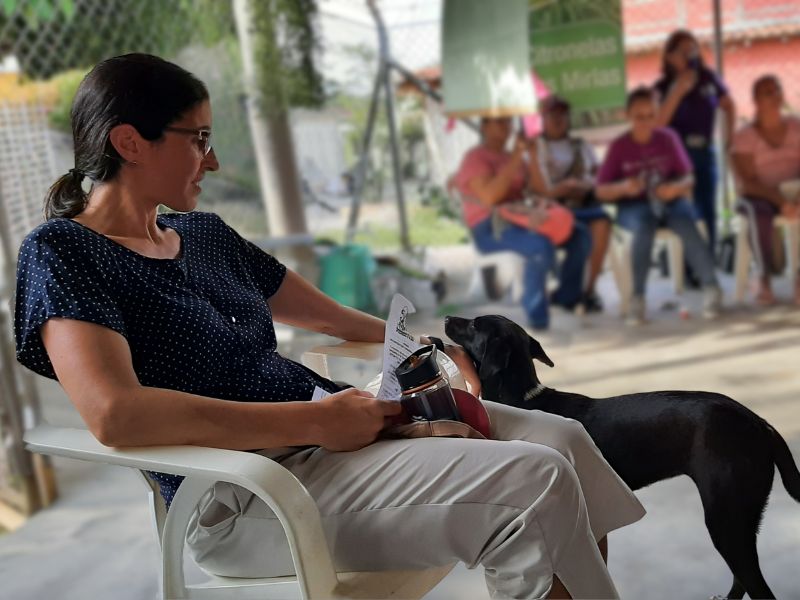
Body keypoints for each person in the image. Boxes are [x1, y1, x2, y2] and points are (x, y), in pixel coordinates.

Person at [14, 54, 645, 600]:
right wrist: (316, 421)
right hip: (247, 492)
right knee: (535, 482)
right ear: (130, 143)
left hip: (332, 433)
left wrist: (429, 350)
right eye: (198, 138)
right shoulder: (62, 252)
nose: (211, 160)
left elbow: (329, 316)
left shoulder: (203, 234)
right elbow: (117, 415)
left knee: (566, 444)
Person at [596, 86, 722, 325]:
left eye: (650, 116)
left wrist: (675, 188)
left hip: (670, 201)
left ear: (657, 115)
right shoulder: (619, 146)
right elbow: (601, 190)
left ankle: (712, 288)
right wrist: (624, 187)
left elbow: (689, 177)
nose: (644, 122)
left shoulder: (668, 138)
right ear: (628, 116)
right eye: (638, 116)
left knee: (687, 222)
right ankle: (638, 298)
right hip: (633, 206)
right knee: (644, 226)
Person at [454, 116, 591, 330]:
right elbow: (490, 197)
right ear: (484, 127)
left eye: (508, 121)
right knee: (539, 246)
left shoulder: (513, 156)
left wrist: (533, 155)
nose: (506, 126)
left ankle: (566, 297)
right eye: (498, 121)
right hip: (491, 227)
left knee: (580, 235)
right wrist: (517, 156)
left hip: (521, 219)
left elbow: (540, 190)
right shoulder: (475, 158)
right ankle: (538, 316)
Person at [654, 29, 736, 257]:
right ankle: (689, 269)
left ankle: (709, 262)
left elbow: (728, 105)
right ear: (670, 57)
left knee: (708, 208)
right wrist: (678, 91)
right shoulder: (662, 87)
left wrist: (729, 138)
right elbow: (657, 125)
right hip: (676, 159)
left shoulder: (708, 78)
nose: (691, 54)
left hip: (704, 151)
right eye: (683, 50)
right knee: (685, 211)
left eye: (694, 48)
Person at [528, 95, 610, 313]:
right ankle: (567, 293)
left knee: (602, 222)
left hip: (583, 204)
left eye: (563, 115)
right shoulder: (535, 148)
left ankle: (589, 290)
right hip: (553, 208)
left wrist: (583, 185)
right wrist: (560, 189)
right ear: (543, 118)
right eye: (552, 115)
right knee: (580, 234)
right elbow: (537, 188)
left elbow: (598, 175)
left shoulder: (580, 145)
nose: (558, 120)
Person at [731, 74, 800, 305]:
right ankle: (763, 277)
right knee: (757, 212)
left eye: (777, 90)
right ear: (756, 101)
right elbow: (747, 182)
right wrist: (781, 202)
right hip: (758, 195)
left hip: (794, 191)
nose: (774, 96)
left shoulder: (795, 127)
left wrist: (796, 199)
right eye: (767, 93)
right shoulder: (744, 136)